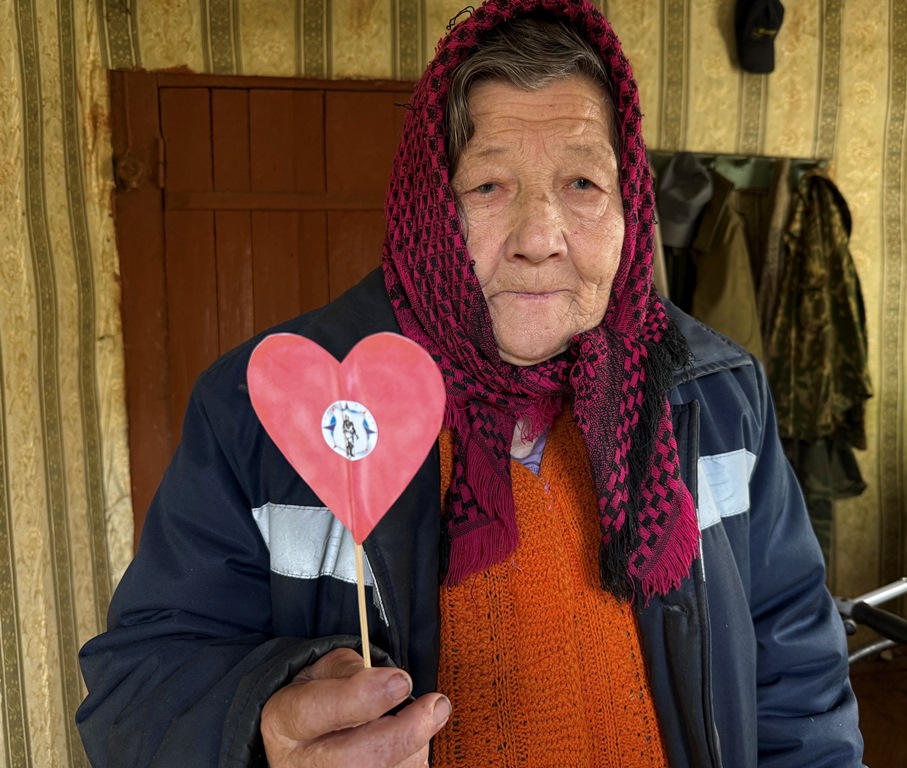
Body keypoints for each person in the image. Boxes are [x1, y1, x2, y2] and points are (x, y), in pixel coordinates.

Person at [77, 1, 865, 766]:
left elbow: (795, 670)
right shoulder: (264, 412)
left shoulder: (717, 395)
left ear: (630, 209)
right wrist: (265, 726)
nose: (539, 238)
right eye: (488, 186)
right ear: (429, 207)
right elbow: (135, 692)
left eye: (583, 185)